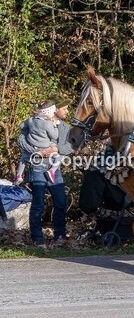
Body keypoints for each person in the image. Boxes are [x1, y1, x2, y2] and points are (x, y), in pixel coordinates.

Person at [19, 98, 74, 246]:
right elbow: (21, 139)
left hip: (54, 169)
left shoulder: (64, 128)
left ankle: (60, 237)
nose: (67, 111)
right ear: (55, 109)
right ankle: (37, 239)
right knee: (38, 204)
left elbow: (71, 147)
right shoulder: (35, 122)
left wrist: (56, 149)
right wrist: (37, 151)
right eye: (65, 109)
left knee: (61, 202)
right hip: (37, 166)